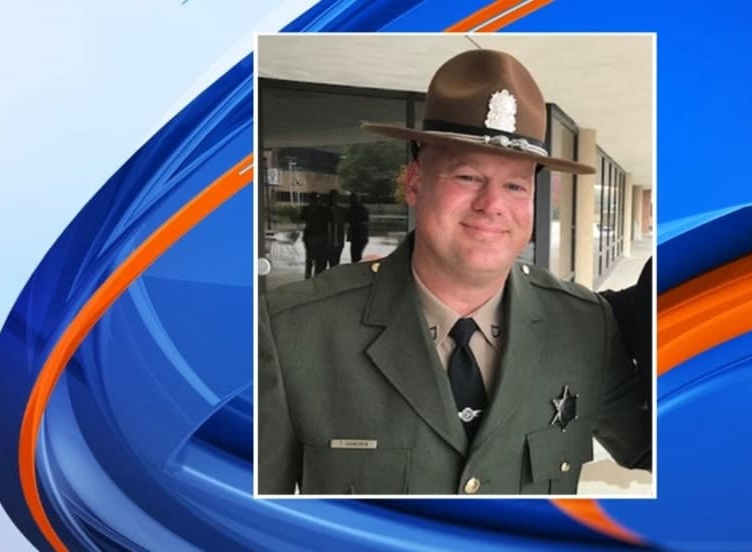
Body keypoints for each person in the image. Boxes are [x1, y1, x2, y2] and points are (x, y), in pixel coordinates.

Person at [258, 49, 651, 495]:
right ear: (414, 183)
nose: (492, 204)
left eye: (515, 185)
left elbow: (666, 449)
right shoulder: (291, 332)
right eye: (467, 177)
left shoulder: (586, 327)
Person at [346, 193, 370, 263]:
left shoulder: (353, 209)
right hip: (361, 236)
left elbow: (350, 219)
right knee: (357, 255)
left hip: (358, 235)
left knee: (355, 255)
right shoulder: (362, 209)